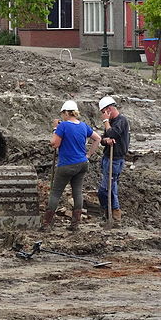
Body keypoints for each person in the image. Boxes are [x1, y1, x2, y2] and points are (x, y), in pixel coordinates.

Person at [41, 100, 101, 232]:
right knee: (77, 192)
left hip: (67, 164)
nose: (62, 115)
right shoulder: (83, 126)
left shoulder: (63, 126)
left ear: (67, 113)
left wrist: (55, 129)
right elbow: (97, 138)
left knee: (56, 192)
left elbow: (54, 144)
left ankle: (46, 224)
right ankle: (75, 224)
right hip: (82, 163)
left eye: (63, 113)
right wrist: (89, 155)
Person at [97, 96, 130, 224]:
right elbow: (104, 139)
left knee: (106, 189)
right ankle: (109, 214)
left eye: (103, 112)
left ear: (109, 109)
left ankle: (113, 213)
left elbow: (112, 133)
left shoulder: (121, 121)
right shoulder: (112, 123)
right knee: (111, 187)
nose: (103, 116)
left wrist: (106, 122)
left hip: (115, 159)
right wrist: (106, 140)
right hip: (107, 157)